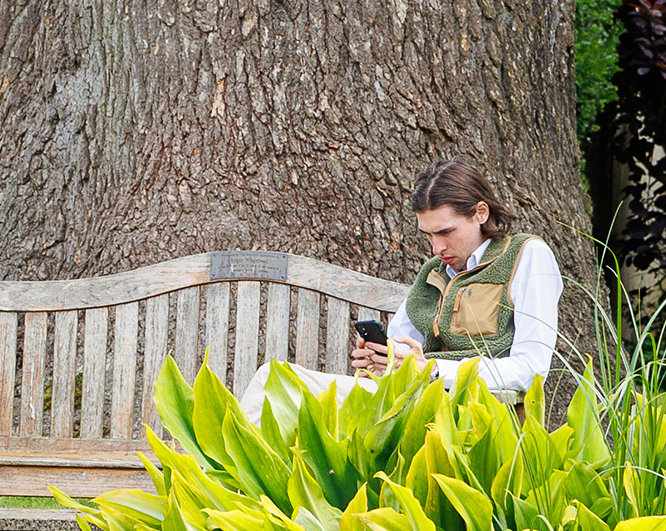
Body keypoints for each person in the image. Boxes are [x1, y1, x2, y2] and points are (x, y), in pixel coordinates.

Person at [237, 161, 563, 420]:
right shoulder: (433, 274)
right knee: (277, 385)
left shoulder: (526, 255)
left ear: (480, 213)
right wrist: (382, 360)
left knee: (274, 382)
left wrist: (433, 370)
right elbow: (402, 348)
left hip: (475, 413)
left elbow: (532, 369)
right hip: (410, 401)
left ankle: (214, 488)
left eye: (446, 232)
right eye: (428, 235)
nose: (437, 247)